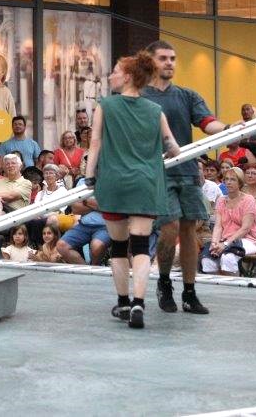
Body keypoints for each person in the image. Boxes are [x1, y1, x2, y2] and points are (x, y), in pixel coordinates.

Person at [86, 52, 181, 330]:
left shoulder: (106, 105)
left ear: (127, 76)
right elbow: (173, 148)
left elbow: (95, 143)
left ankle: (123, 302)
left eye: (115, 71)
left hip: (114, 183)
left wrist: (89, 176)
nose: (111, 75)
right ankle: (139, 302)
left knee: (118, 246)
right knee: (140, 245)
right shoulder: (155, 110)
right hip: (145, 184)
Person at [143, 40, 226, 317]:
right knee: (170, 227)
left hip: (188, 171)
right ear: (150, 62)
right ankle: (164, 282)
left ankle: (190, 292)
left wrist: (229, 128)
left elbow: (207, 123)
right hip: (158, 173)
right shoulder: (140, 96)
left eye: (173, 58)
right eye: (163, 58)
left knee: (190, 229)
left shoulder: (187, 95)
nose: (169, 63)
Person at [203, 167, 256, 275]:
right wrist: (214, 243)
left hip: (247, 239)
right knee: (208, 260)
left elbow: (245, 228)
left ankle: (232, 285)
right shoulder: (221, 200)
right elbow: (218, 226)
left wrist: (225, 244)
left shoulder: (248, 200)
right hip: (224, 239)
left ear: (240, 182)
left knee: (228, 257)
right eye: (226, 179)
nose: (228, 182)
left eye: (233, 179)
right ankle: (216, 285)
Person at [0, 154, 34, 221]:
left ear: (20, 167)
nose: (10, 166)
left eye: (13, 163)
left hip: (17, 216)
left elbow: (11, 196)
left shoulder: (26, 183)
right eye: (7, 164)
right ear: (4, 168)